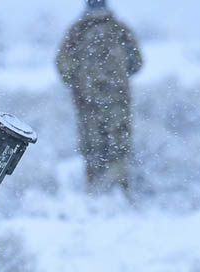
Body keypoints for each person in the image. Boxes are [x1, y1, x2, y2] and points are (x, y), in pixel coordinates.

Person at [56, 0, 143, 193]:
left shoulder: (77, 31)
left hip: (88, 103)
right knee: (118, 149)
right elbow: (137, 62)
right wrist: (116, 80)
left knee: (93, 149)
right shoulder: (120, 29)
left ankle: (95, 194)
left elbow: (62, 65)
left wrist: (80, 83)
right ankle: (120, 193)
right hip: (117, 102)